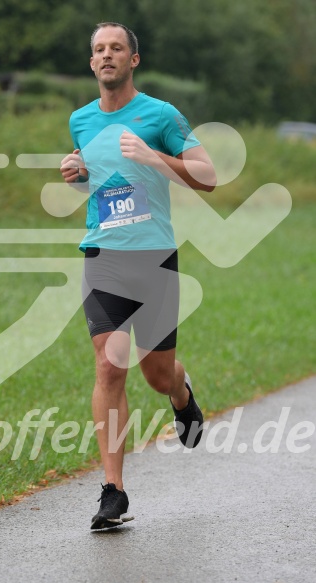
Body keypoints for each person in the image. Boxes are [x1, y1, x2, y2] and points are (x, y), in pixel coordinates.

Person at [61, 22, 216, 530]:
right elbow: (105, 181)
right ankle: (113, 491)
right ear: (92, 63)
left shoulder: (161, 115)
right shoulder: (80, 120)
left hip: (153, 258)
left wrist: (156, 157)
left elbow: (209, 176)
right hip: (103, 255)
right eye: (99, 50)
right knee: (109, 367)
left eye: (116, 48)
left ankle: (181, 395)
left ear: (133, 60)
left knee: (155, 374)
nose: (107, 56)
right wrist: (80, 174)